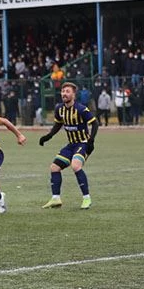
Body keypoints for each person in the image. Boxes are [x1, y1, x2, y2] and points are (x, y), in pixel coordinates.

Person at [39, 82, 99, 210]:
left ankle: (86, 198)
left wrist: (91, 140)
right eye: (62, 91)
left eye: (67, 91)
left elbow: (95, 124)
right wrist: (48, 136)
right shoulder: (59, 109)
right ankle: (56, 198)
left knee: (76, 165)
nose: (64, 94)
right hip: (71, 145)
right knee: (54, 167)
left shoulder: (81, 109)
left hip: (83, 143)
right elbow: (58, 125)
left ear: (74, 94)